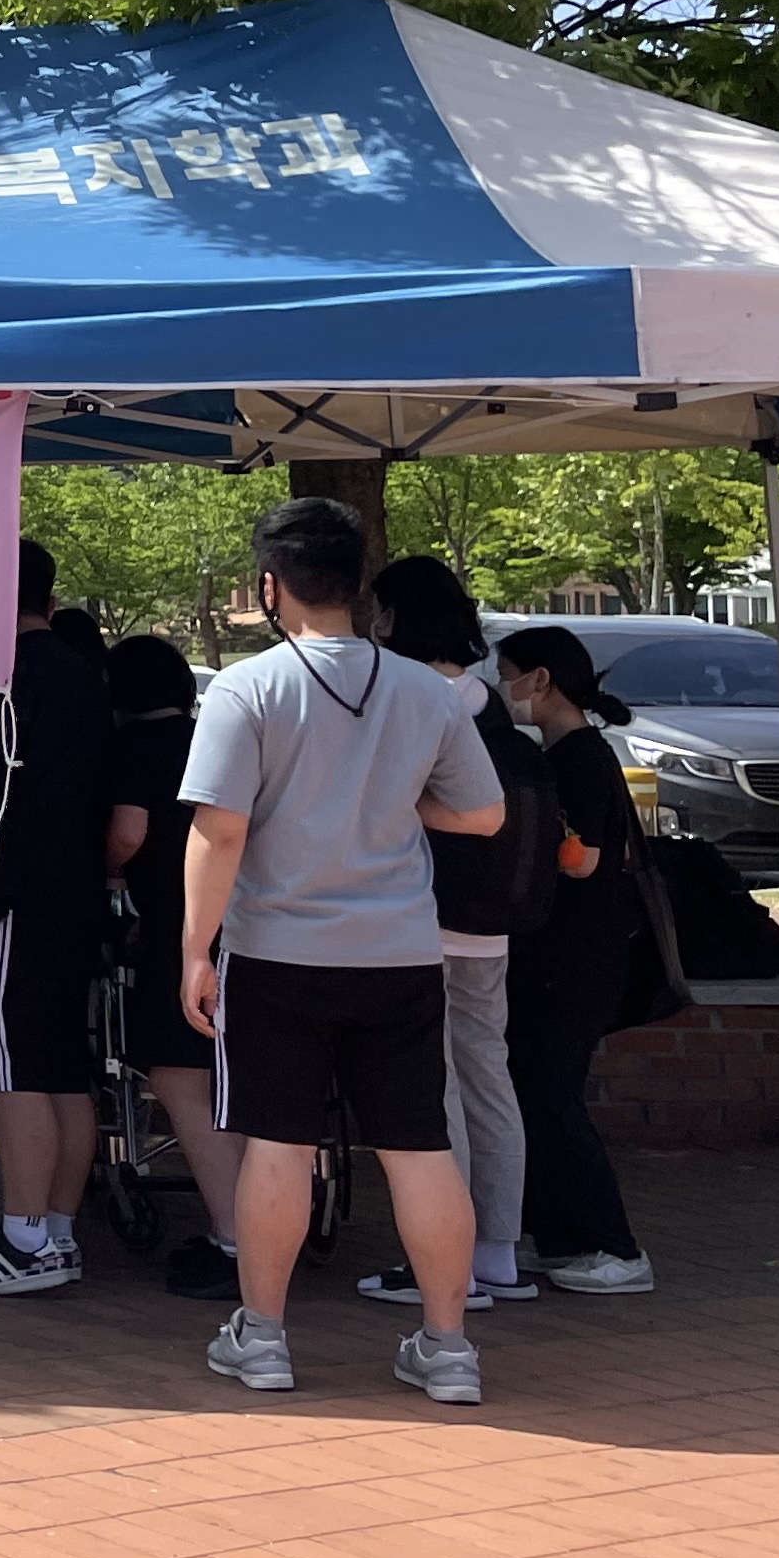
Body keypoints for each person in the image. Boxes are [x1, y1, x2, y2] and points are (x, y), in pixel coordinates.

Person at [180, 498, 507, 1403]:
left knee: (278, 1146)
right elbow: (485, 814)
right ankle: (448, 1348)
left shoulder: (246, 688)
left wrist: (194, 950)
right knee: (419, 1149)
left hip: (276, 952)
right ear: (359, 585)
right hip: (400, 953)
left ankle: (263, 1338)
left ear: (270, 586)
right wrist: (400, 804)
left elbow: (219, 829)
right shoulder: (426, 691)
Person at [0, 539, 121, 1296]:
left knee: (16, 1071)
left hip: (15, 893)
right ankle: (57, 1234)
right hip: (78, 893)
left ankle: (24, 1239)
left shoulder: (3, 684)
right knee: (62, 1070)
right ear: (50, 600)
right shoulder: (87, 677)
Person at [365, 558, 536, 1314]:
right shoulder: (486, 702)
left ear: (394, 616)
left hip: (422, 915)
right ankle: (497, 1253)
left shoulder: (405, 696)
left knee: (435, 1087)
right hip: (492, 919)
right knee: (489, 1076)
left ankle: (446, 1265)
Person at [495, 623, 667, 1297]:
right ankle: (561, 1236)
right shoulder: (571, 754)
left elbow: (583, 858)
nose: (501, 687)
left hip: (575, 960)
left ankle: (617, 1246)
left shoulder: (580, 759)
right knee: (534, 1095)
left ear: (539, 680)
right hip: (558, 958)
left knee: (554, 1097)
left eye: (507, 673)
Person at [102, 636, 247, 1301]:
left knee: (179, 1078)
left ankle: (237, 1237)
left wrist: (107, 870)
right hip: (247, 924)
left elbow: (128, 833)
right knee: (232, 1083)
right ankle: (248, 1228)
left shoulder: (134, 748)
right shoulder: (214, 737)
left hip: (178, 931)